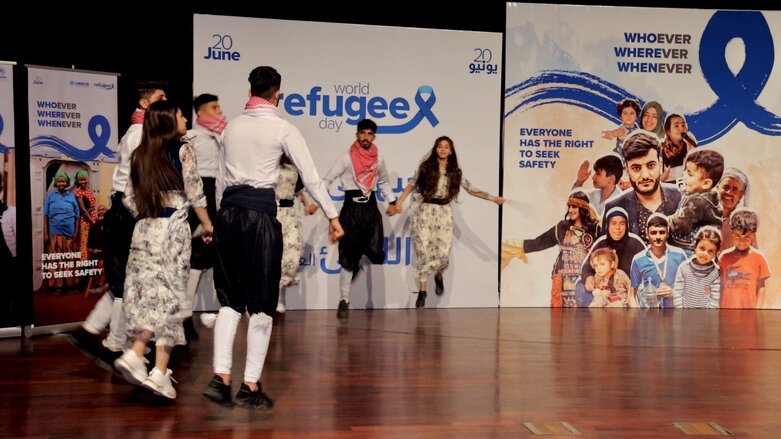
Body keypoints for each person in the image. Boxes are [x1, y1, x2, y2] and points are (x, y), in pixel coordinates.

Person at [203, 66, 343, 409]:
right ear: (277, 93)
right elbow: (311, 178)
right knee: (262, 304)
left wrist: (220, 220)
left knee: (229, 300)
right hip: (259, 217)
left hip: (229, 214)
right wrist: (333, 215)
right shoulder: (283, 128)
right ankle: (250, 386)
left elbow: (221, 180)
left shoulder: (231, 127)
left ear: (250, 89)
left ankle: (220, 378)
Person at [112, 100, 213, 400]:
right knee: (171, 300)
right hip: (171, 232)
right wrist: (207, 224)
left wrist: (150, 209)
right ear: (170, 121)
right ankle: (158, 373)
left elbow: (128, 199)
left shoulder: (140, 153)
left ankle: (138, 353)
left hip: (143, 231)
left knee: (150, 299)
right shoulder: (183, 150)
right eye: (181, 115)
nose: (186, 119)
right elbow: (195, 191)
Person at [69, 80, 167, 365]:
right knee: (128, 283)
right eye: (161, 97)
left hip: (125, 214)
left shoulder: (141, 132)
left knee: (125, 283)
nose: (166, 101)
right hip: (127, 215)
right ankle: (112, 342)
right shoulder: (139, 134)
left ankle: (93, 333)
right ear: (145, 103)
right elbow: (138, 184)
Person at [395, 135, 504, 308]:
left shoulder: (455, 171)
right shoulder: (426, 167)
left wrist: (493, 198)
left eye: (446, 147)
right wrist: (400, 202)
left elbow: (472, 190)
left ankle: (439, 275)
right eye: (440, 146)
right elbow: (411, 185)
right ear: (435, 149)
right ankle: (422, 291)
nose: (443, 149)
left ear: (451, 151)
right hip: (425, 211)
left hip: (444, 213)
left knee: (443, 253)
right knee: (422, 250)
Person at [322, 118, 398, 319]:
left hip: (370, 210)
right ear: (357, 135)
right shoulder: (346, 158)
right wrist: (319, 200)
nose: (365, 137)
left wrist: (392, 201)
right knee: (347, 257)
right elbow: (328, 178)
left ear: (374, 136)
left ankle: (357, 262)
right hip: (351, 210)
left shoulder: (378, 159)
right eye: (362, 133)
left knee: (375, 252)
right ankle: (344, 300)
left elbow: (384, 182)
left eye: (369, 133)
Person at [501, 191, 598, 307]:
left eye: (574, 206)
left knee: (584, 318)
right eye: (569, 207)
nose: (570, 210)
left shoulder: (595, 229)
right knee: (559, 318)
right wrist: (513, 246)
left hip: (584, 279)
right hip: (561, 277)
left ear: (583, 208)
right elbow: (539, 242)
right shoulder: (562, 227)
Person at [183, 93, 226, 340]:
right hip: (197, 198)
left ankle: (204, 313)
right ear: (200, 113)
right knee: (194, 261)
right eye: (214, 107)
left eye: (219, 106)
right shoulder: (191, 137)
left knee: (208, 260)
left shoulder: (223, 136)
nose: (219, 111)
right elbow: (188, 177)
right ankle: (185, 316)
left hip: (217, 197)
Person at [603, 130, 681, 246]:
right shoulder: (614, 207)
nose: (645, 175)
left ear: (660, 165)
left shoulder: (681, 197)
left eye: (650, 166)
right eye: (636, 168)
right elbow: (603, 254)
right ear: (627, 171)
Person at [275, 154, 318, 313]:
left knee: (291, 255)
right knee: (270, 255)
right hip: (272, 211)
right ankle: (265, 297)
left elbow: (299, 191)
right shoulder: (270, 165)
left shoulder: (294, 168)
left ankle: (279, 297)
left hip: (290, 213)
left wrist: (306, 205)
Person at [579, 206, 645, 306]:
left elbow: (648, 265)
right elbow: (587, 266)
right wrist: (588, 278)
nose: (617, 228)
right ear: (607, 226)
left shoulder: (635, 242)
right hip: (604, 289)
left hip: (628, 291)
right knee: (580, 288)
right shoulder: (601, 242)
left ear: (627, 226)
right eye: (613, 223)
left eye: (622, 224)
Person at [667, 149, 724, 253]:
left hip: (689, 249)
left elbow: (679, 225)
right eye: (685, 170)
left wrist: (665, 220)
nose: (684, 175)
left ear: (706, 183)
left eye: (689, 174)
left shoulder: (696, 203)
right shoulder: (711, 197)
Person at [629, 213, 687, 308]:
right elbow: (631, 295)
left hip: (674, 314)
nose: (658, 237)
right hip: (648, 316)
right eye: (653, 233)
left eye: (662, 232)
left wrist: (674, 293)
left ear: (668, 233)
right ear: (647, 234)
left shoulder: (679, 255)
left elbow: (689, 288)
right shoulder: (638, 259)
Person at [719, 208, 770, 309]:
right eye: (738, 236)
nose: (742, 241)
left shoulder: (759, 258)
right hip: (727, 313)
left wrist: (758, 310)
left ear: (753, 236)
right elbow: (720, 286)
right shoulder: (723, 258)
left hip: (749, 313)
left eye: (747, 237)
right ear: (732, 233)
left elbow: (761, 287)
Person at [43, 171, 80, 293]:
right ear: (56, 183)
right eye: (59, 181)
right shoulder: (50, 196)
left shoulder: (71, 196)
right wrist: (45, 233)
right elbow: (46, 216)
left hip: (69, 234)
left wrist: (76, 231)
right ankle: (57, 286)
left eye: (63, 181)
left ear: (67, 182)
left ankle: (70, 285)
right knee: (55, 259)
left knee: (69, 259)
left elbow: (77, 215)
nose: (61, 183)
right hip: (54, 232)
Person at [673, 226, 721, 309]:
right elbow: (677, 292)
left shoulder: (715, 272)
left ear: (715, 253)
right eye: (702, 248)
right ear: (695, 246)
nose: (705, 253)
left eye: (710, 251)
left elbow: (715, 298)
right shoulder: (684, 268)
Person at [717, 167, 752, 249]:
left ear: (740, 196)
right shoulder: (703, 215)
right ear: (717, 188)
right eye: (726, 187)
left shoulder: (743, 226)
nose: (729, 192)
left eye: (735, 189)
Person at [73, 169, 97, 291]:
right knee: (84, 253)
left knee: (90, 252)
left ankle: (89, 282)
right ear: (77, 181)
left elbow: (92, 207)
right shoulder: (78, 193)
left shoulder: (89, 191)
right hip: (85, 224)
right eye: (80, 179)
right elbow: (83, 209)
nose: (83, 181)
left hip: (93, 223)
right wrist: (93, 222)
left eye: (84, 179)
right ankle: (81, 284)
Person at [660, 113, 697, 184]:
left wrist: (691, 153)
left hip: (687, 185)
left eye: (683, 125)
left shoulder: (689, 144)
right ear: (668, 131)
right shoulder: (661, 148)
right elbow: (659, 178)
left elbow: (696, 172)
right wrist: (665, 174)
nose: (681, 128)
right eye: (676, 126)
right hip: (668, 187)